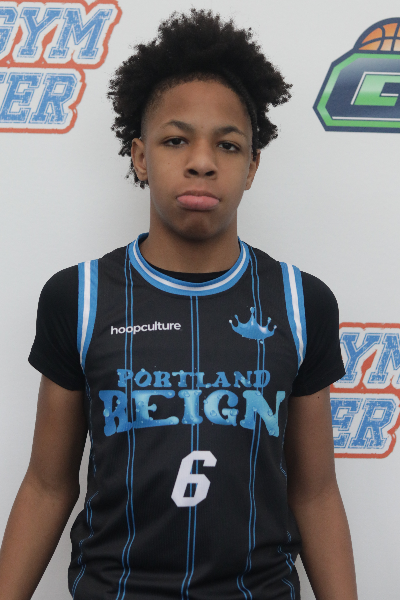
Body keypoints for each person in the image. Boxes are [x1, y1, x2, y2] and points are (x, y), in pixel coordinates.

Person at [0, 9, 358, 600]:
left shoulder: (301, 302)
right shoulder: (80, 297)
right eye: (175, 140)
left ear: (252, 166)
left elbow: (315, 492)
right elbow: (47, 484)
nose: (201, 160)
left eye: (228, 144)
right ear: (141, 157)